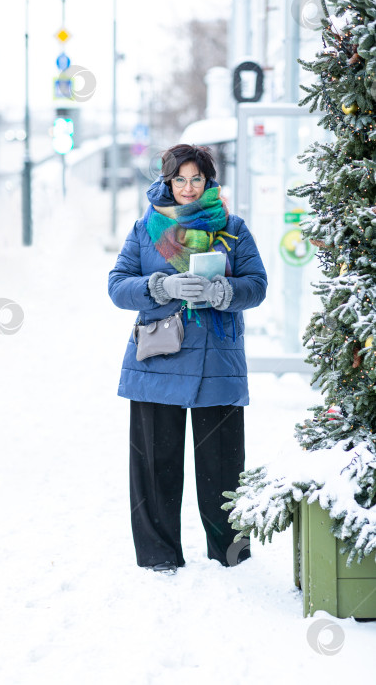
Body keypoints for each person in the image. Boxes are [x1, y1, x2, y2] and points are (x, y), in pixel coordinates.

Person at [108, 144, 267, 574]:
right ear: (167, 181)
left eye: (197, 179)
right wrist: (161, 287)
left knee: (223, 467)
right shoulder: (146, 229)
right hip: (158, 361)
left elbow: (257, 284)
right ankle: (159, 555)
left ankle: (231, 556)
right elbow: (118, 284)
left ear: (209, 181)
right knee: (155, 465)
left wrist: (224, 292)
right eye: (180, 179)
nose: (188, 187)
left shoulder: (232, 228)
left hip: (217, 363)